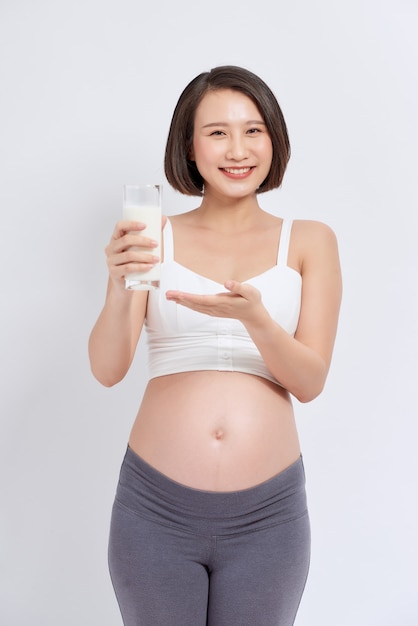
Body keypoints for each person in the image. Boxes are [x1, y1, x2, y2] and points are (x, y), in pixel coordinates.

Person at [88, 65, 342, 626]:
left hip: (267, 517)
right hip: (155, 510)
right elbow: (108, 368)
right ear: (189, 144)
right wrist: (117, 283)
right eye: (217, 131)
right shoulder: (152, 232)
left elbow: (310, 381)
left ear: (274, 139)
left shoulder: (309, 240)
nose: (238, 149)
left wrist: (259, 322)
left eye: (254, 130)